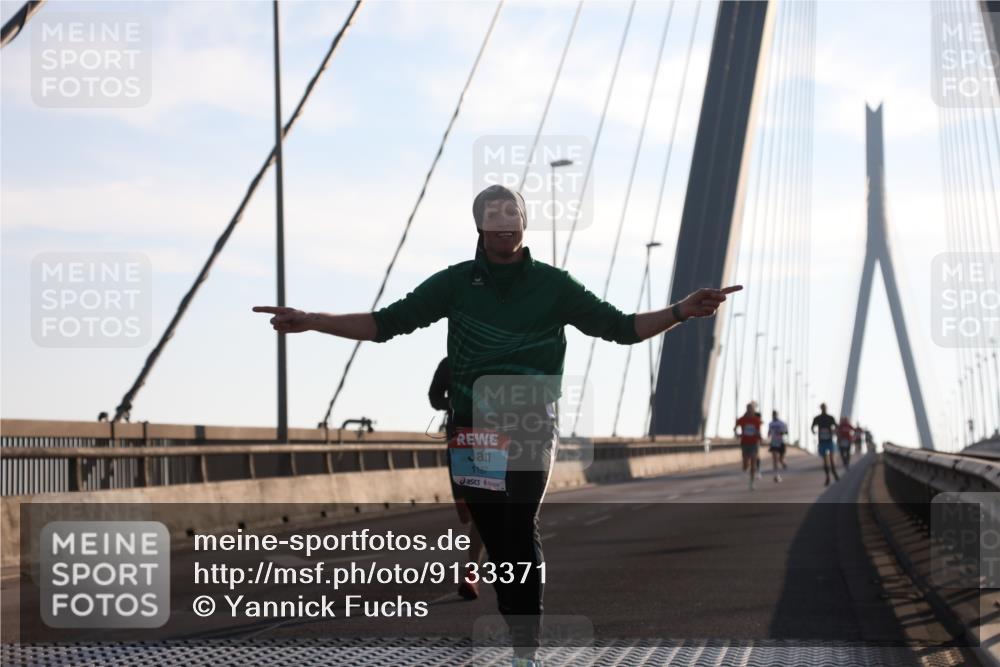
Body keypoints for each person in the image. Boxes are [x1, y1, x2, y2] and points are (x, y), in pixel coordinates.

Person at [254, 184, 742, 667]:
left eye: (513, 214)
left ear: (524, 223)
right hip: (471, 427)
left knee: (519, 524)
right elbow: (387, 323)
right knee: (496, 532)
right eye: (494, 216)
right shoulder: (456, 283)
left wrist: (680, 311)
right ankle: (517, 629)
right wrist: (313, 320)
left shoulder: (554, 285)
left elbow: (620, 328)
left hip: (531, 421)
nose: (505, 223)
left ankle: (525, 649)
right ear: (480, 225)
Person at [428, 356, 486, 601]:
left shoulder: (494, 359)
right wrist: (452, 402)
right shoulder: (449, 363)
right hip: (459, 441)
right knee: (466, 514)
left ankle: (471, 574)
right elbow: (433, 397)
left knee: (482, 510)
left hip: (489, 441)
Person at [735, 403, 763, 490]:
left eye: (751, 409)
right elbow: (735, 427)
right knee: (746, 464)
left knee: (753, 462)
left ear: (754, 410)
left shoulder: (756, 420)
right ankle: (745, 469)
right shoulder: (742, 419)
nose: (750, 410)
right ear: (746, 409)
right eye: (748, 409)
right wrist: (737, 434)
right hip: (745, 443)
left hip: (754, 443)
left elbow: (758, 431)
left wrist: (760, 437)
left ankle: (752, 482)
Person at [811, 403, 839, 486]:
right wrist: (813, 431)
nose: (823, 409)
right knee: (825, 461)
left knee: (831, 459)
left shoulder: (830, 418)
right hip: (822, 441)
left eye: (824, 408)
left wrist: (834, 431)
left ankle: (833, 472)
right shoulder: (817, 418)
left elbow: (836, 426)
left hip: (829, 441)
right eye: (822, 408)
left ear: (826, 408)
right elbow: (812, 427)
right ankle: (828, 477)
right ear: (821, 408)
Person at [767, 410, 788, 483]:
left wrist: (781, 432)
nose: (774, 415)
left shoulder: (781, 423)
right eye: (773, 414)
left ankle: (783, 463)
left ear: (777, 415)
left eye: (775, 414)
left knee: (780, 459)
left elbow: (786, 432)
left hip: (781, 442)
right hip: (774, 443)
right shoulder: (770, 423)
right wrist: (768, 436)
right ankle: (776, 475)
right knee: (775, 459)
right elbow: (769, 432)